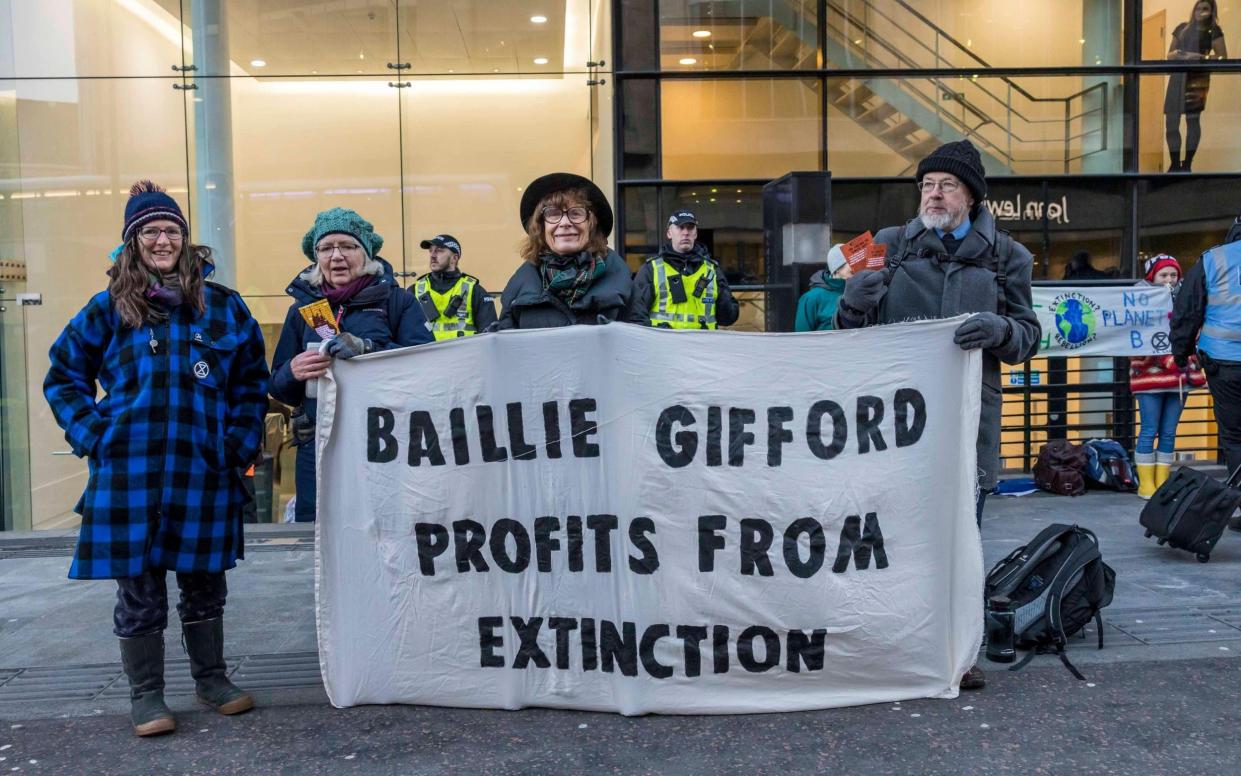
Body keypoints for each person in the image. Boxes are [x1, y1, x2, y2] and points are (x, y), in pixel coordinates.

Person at [43, 181, 270, 736]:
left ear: (185, 241)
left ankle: (212, 680)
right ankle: (147, 695)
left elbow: (249, 384)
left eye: (172, 230)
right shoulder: (106, 310)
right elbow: (63, 377)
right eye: (151, 231)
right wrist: (94, 433)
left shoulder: (222, 306)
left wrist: (236, 446)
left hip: (203, 470)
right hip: (130, 474)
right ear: (133, 242)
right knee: (139, 591)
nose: (163, 239)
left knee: (205, 585)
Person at [834, 140, 1041, 691]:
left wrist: (1002, 331)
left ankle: (956, 652)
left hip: (965, 427)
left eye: (946, 185)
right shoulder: (885, 244)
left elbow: (1028, 337)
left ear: (971, 196)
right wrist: (851, 301)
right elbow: (844, 332)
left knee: (959, 541)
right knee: (886, 539)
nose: (933, 193)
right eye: (926, 184)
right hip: (890, 428)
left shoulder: (1008, 256)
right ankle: (886, 646)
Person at [270, 208, 432, 522]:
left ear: (366, 253)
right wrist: (292, 371)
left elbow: (425, 366)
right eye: (326, 248)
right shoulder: (304, 309)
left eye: (348, 246)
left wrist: (369, 350)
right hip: (317, 447)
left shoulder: (397, 302)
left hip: (384, 446)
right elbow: (277, 385)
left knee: (380, 531)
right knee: (314, 536)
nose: (336, 256)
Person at [1172, 213, 1241, 529]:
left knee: (1234, 435)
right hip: (1224, 360)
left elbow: (1188, 309)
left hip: (1225, 363)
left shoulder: (1214, 259)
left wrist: (1181, 352)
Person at [496, 172, 632, 329]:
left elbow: (638, 343)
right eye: (553, 214)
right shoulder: (519, 284)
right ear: (541, 227)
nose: (565, 223)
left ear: (591, 225)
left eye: (576, 213)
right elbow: (506, 344)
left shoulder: (620, 277)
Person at [1130, 255, 1207, 499]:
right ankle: (1145, 484)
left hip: (1179, 377)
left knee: (1169, 431)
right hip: (1148, 378)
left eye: (1173, 275)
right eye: (1164, 275)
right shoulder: (1137, 303)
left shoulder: (1186, 301)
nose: (1170, 280)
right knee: (1149, 428)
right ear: (1152, 276)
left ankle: (1161, 483)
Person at [627, 210, 739, 329]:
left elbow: (728, 317)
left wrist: (722, 298)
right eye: (680, 227)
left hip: (702, 344)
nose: (685, 233)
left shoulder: (712, 270)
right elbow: (636, 314)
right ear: (669, 233)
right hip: (665, 345)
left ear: (695, 234)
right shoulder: (652, 269)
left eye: (690, 228)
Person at [1165, 0, 1227, 172]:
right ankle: (1174, 163)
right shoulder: (1182, 28)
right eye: (1198, 8)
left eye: (1205, 9)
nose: (1200, 12)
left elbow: (1223, 57)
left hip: (1198, 77)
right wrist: (1179, 55)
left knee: (1192, 120)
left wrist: (1199, 57)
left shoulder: (1213, 31)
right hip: (1178, 76)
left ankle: (1187, 164)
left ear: (1212, 12)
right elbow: (1169, 55)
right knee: (1171, 121)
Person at [413, 233, 497, 339]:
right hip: (427, 354)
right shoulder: (414, 290)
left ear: (454, 258)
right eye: (431, 251)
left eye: (439, 250)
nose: (433, 255)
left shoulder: (474, 290)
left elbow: (489, 335)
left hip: (464, 354)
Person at [795, 243, 853, 331]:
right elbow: (801, 339)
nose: (856, 266)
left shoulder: (861, 294)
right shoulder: (811, 298)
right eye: (850, 261)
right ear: (837, 268)